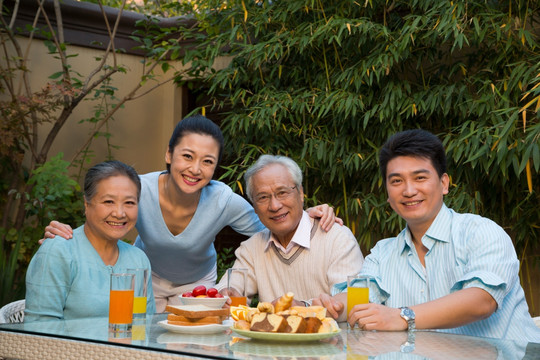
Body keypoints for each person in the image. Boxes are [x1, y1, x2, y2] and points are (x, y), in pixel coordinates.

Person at [42, 115, 339, 312]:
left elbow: (270, 222)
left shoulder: (222, 198)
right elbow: (103, 218)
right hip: (145, 281)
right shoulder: (139, 189)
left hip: (200, 286)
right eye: (187, 156)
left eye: (207, 161)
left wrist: (305, 214)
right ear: (169, 154)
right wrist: (66, 238)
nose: (196, 169)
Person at [315, 129, 540, 342]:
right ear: (387, 193)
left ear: (444, 183)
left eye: (420, 178)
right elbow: (359, 298)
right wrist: (325, 308)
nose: (409, 190)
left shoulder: (480, 232)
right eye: (396, 181)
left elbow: (482, 301)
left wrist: (402, 316)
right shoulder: (382, 253)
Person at [217, 155, 364, 307]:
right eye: (263, 197)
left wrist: (303, 308)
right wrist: (226, 294)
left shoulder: (336, 238)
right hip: (272, 331)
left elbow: (354, 300)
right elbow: (230, 286)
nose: (274, 206)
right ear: (254, 206)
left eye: (282, 193)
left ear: (300, 193)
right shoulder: (252, 248)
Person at [25, 161, 156, 321]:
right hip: (66, 347)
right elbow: (40, 328)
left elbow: (144, 324)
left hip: (125, 347)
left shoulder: (138, 260)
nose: (120, 213)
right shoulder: (59, 251)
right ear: (87, 204)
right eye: (108, 201)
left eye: (129, 203)